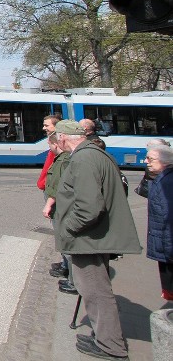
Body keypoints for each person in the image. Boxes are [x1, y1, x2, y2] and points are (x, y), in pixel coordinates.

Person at [53, 120, 142, 360]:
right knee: (96, 289)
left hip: (89, 239)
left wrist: (68, 229)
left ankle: (110, 345)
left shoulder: (83, 159)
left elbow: (89, 208)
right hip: (98, 236)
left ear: (63, 138)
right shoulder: (96, 154)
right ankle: (104, 337)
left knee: (94, 291)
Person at [42, 133, 74, 291]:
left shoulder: (64, 160)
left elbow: (58, 185)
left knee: (67, 242)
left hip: (62, 207)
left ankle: (73, 280)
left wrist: (49, 203)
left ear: (56, 144)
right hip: (61, 206)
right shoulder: (64, 159)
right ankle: (68, 270)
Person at [144, 143, 173, 302]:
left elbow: (169, 218)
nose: (146, 161)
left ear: (165, 162)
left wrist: (168, 252)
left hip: (167, 249)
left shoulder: (167, 183)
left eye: (150, 159)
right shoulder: (161, 179)